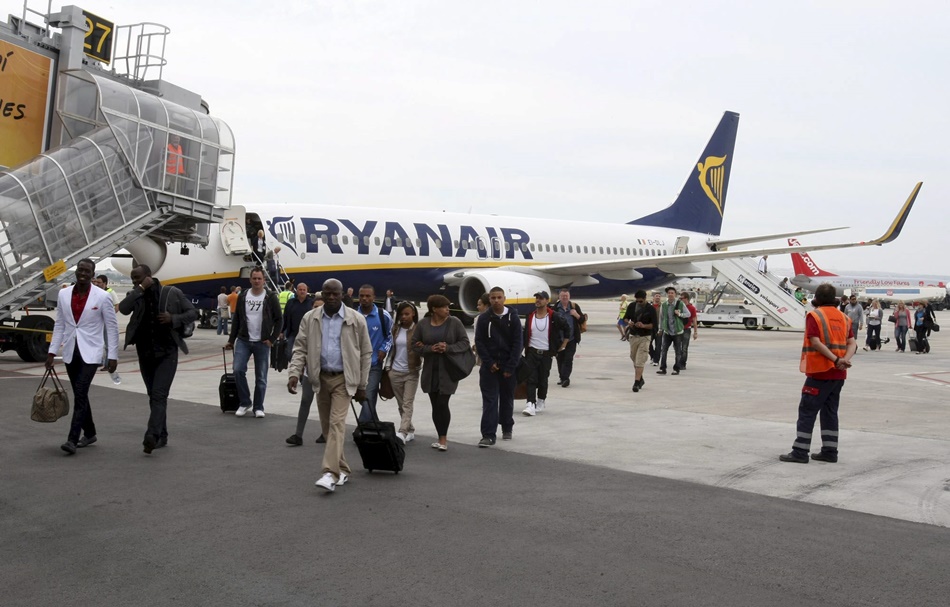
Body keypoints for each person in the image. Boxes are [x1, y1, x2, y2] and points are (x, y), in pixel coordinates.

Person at [288, 279, 371, 492]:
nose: (331, 297)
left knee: (336, 424)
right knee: (327, 428)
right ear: (321, 295)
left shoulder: (356, 319)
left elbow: (365, 353)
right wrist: (294, 374)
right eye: (327, 294)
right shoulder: (311, 318)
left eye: (335, 293)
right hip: (320, 378)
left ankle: (330, 473)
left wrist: (362, 384)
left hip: (344, 379)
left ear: (342, 294)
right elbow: (300, 348)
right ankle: (342, 468)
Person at [119, 264, 197, 454]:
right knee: (152, 395)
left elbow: (192, 313)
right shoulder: (136, 295)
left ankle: (151, 436)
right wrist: (139, 289)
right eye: (132, 279)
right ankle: (162, 434)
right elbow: (123, 308)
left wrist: (173, 319)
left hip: (167, 352)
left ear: (149, 276)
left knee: (159, 394)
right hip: (145, 353)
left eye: (138, 277)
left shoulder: (171, 293)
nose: (135, 281)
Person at [47, 258, 119, 455]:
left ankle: (72, 439)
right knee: (80, 393)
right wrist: (52, 352)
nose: (83, 273)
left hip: (92, 351)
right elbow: (60, 324)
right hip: (71, 350)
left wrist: (112, 356)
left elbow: (112, 328)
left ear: (93, 274)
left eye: (87, 271)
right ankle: (91, 432)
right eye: (80, 269)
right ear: (76, 271)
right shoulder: (63, 294)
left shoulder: (102, 297)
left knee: (80, 391)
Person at [779, 282, 856, 464]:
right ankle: (830, 451)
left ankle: (800, 451)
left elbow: (815, 341)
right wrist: (844, 360)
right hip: (839, 375)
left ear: (817, 299)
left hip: (820, 371)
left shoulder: (815, 315)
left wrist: (835, 360)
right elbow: (852, 343)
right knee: (830, 412)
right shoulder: (844, 318)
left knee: (807, 411)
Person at [412, 294, 471, 451]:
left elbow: (465, 343)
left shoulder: (455, 322)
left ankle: (443, 440)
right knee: (435, 404)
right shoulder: (423, 324)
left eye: (447, 306)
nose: (447, 309)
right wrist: (430, 348)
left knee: (442, 402)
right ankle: (440, 437)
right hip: (430, 370)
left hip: (448, 369)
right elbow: (415, 345)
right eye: (444, 307)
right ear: (434, 309)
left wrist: (448, 348)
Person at [226, 267, 282, 418]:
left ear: (264, 280)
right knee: (238, 370)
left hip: (262, 342)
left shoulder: (270, 297)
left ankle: (258, 406)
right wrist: (231, 340)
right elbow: (237, 318)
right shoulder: (243, 296)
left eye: (259, 278)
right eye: (254, 278)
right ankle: (245, 402)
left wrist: (272, 339)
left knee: (261, 377)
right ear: (250, 280)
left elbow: (279, 320)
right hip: (244, 340)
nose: (257, 281)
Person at [475, 287, 522, 446]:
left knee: (507, 398)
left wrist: (510, 367)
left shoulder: (513, 318)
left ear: (504, 299)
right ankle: (488, 434)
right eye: (493, 298)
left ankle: (507, 426)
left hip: (508, 366)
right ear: (489, 299)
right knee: (490, 401)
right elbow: (479, 343)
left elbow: (518, 343)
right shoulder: (483, 319)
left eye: (499, 297)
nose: (496, 300)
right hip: (490, 367)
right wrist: (489, 363)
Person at [285, 294, 329, 446]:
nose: (317, 309)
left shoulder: (331, 327)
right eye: (315, 307)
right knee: (305, 400)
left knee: (325, 404)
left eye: (320, 307)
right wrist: (295, 373)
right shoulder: (308, 322)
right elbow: (300, 349)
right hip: (310, 370)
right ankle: (298, 435)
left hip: (326, 372)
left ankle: (326, 432)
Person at [520, 291, 569, 419]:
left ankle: (541, 400)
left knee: (543, 379)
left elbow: (567, 328)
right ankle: (530, 403)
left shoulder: (554, 316)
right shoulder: (530, 316)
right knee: (531, 379)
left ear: (547, 301)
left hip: (546, 354)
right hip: (532, 353)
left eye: (541, 298)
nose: (538, 300)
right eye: (536, 298)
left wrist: (563, 344)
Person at [355, 285, 393, 422]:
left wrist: (384, 349)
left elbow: (390, 336)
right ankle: (374, 422)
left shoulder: (383, 316)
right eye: (361, 296)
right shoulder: (353, 316)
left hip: (374, 364)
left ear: (374, 298)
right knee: (360, 396)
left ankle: (362, 426)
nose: (364, 299)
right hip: (355, 365)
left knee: (369, 394)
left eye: (368, 296)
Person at [388, 301, 420, 444]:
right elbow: (391, 348)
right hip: (395, 371)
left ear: (413, 314)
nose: (404, 317)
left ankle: (402, 432)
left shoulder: (418, 330)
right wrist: (388, 369)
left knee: (407, 403)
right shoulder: (396, 329)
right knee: (401, 404)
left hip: (411, 372)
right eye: (401, 314)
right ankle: (410, 429)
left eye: (407, 314)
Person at [623, 290, 657, 392]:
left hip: (645, 336)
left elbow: (654, 325)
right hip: (633, 336)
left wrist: (644, 326)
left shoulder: (650, 309)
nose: (638, 303)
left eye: (640, 301)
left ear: (645, 299)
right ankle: (640, 378)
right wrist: (629, 322)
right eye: (637, 301)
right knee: (634, 357)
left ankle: (636, 383)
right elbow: (625, 318)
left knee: (640, 360)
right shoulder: (632, 306)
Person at [553, 288, 584, 388]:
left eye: (566, 296)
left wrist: (576, 315)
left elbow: (582, 319)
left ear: (569, 296)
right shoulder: (556, 308)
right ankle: (562, 377)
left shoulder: (574, 306)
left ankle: (566, 378)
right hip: (559, 339)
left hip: (571, 339)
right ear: (559, 297)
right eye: (563, 296)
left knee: (568, 358)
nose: (565, 298)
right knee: (560, 359)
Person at [657, 286, 689, 376]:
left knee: (678, 351)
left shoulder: (680, 304)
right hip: (667, 331)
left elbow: (688, 314)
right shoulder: (664, 305)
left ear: (675, 294)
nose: (670, 294)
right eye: (669, 293)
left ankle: (676, 368)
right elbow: (661, 317)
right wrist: (660, 329)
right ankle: (663, 368)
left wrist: (680, 314)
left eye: (672, 293)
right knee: (664, 350)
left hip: (677, 331)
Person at [280, 282, 314, 361]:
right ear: (296, 291)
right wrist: (281, 331)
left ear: (306, 291)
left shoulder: (311, 303)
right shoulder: (290, 302)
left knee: (307, 355)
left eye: (304, 290)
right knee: (289, 354)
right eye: (300, 290)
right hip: (293, 333)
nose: (302, 291)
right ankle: (294, 368)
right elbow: (285, 317)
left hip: (307, 334)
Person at [679, 292, 699, 369]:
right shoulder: (679, 306)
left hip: (686, 329)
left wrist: (695, 332)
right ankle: (678, 361)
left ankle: (682, 363)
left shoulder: (692, 308)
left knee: (684, 347)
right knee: (677, 347)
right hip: (678, 329)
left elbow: (694, 320)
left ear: (686, 299)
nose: (680, 300)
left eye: (682, 298)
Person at [649, 292, 663, 366]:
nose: (658, 297)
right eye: (656, 296)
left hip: (659, 327)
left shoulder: (663, 306)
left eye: (659, 296)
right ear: (653, 298)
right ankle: (652, 356)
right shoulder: (649, 306)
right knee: (648, 343)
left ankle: (656, 360)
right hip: (650, 327)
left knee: (658, 344)